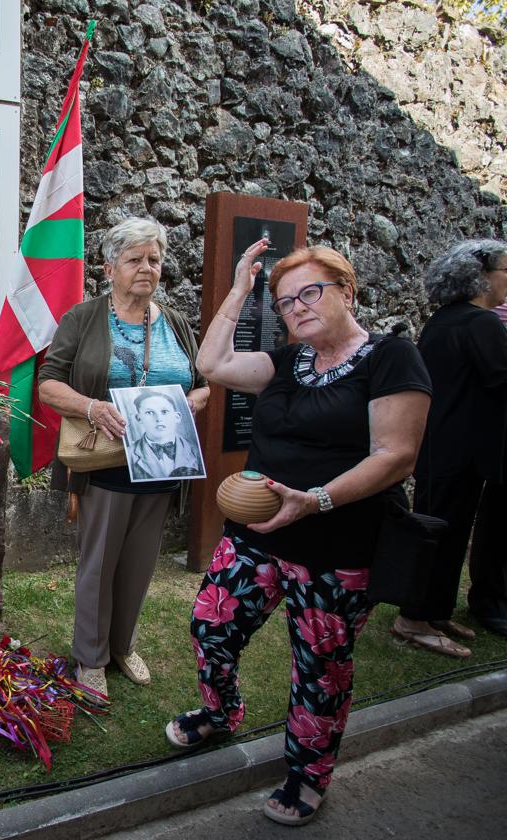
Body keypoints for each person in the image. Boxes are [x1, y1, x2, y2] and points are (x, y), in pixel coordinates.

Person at [166, 240, 431, 826]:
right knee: (211, 624)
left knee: (320, 665)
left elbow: (397, 455)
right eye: (286, 302)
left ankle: (308, 775)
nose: (298, 308)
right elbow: (212, 365)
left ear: (347, 290)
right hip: (257, 533)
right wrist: (239, 289)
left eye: (311, 292)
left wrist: (316, 500)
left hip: (337, 545)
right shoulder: (288, 363)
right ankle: (220, 712)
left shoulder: (391, 358)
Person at [38, 217, 210, 694]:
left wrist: (195, 400)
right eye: (134, 259)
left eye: (154, 260)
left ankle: (123, 646)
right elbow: (48, 383)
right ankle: (90, 657)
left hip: (161, 465)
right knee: (99, 564)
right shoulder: (84, 318)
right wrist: (92, 407)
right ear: (109, 267)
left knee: (139, 563)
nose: (146, 268)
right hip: (106, 468)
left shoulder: (174, 321)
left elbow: (202, 383)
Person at [393, 240, 507, 651]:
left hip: (439, 443)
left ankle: (433, 612)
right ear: (481, 278)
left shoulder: (446, 319)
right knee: (441, 532)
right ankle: (413, 618)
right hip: (460, 447)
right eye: (505, 271)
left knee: (442, 529)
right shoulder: (482, 324)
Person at [126, 388, 203, 480]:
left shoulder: (196, 451)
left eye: (164, 412)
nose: (158, 419)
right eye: (149, 412)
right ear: (138, 418)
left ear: (177, 417)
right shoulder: (130, 454)